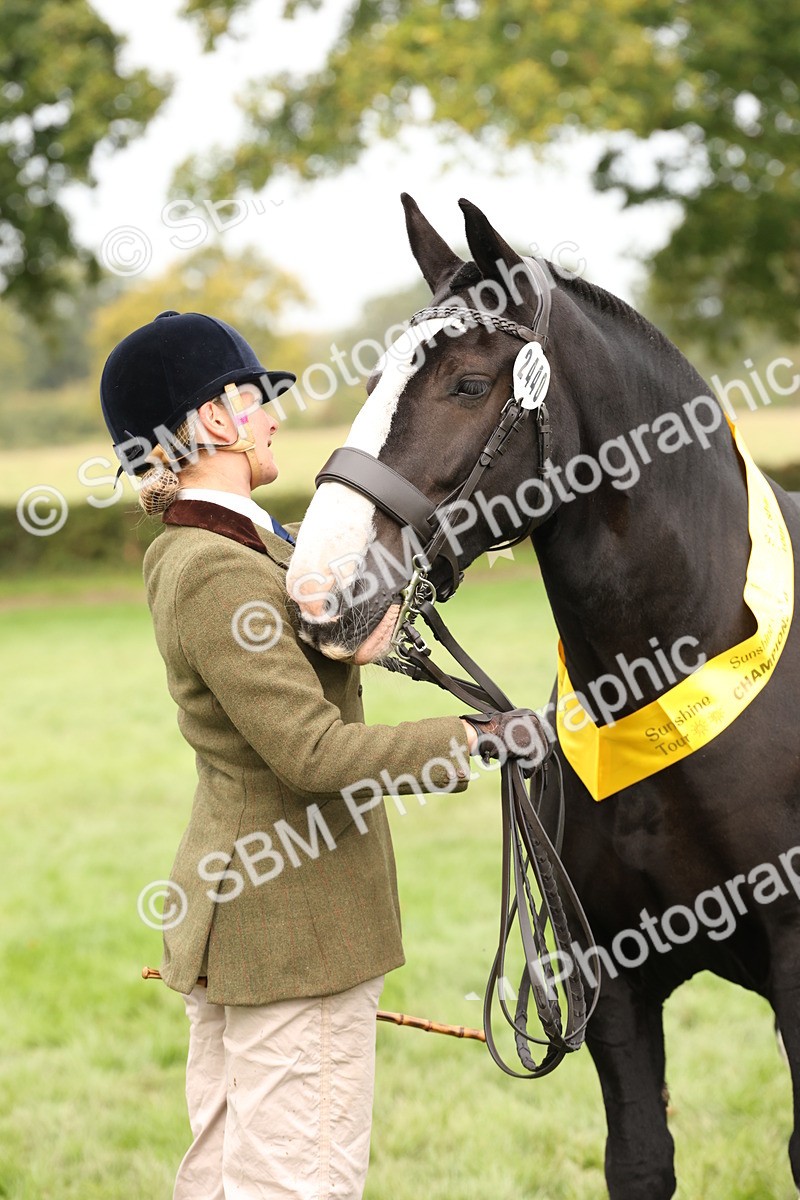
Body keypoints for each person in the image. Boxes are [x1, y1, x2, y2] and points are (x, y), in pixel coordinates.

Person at [100, 309, 545, 1200]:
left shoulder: (231, 543)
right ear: (215, 420)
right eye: (255, 399)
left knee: (228, 1174)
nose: (271, 418)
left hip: (257, 924)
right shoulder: (216, 566)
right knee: (297, 1182)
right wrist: (477, 740)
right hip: (290, 933)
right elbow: (310, 752)